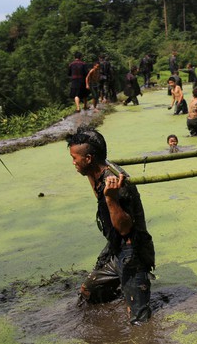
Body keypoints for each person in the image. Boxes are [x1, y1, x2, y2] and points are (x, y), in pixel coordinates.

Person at [66, 127, 155, 324]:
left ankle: (136, 286)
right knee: (89, 292)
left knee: (139, 321)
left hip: (132, 251)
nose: (73, 162)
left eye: (74, 158)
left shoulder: (116, 185)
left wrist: (110, 198)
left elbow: (125, 228)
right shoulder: (95, 169)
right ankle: (123, 289)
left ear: (88, 158)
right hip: (114, 246)